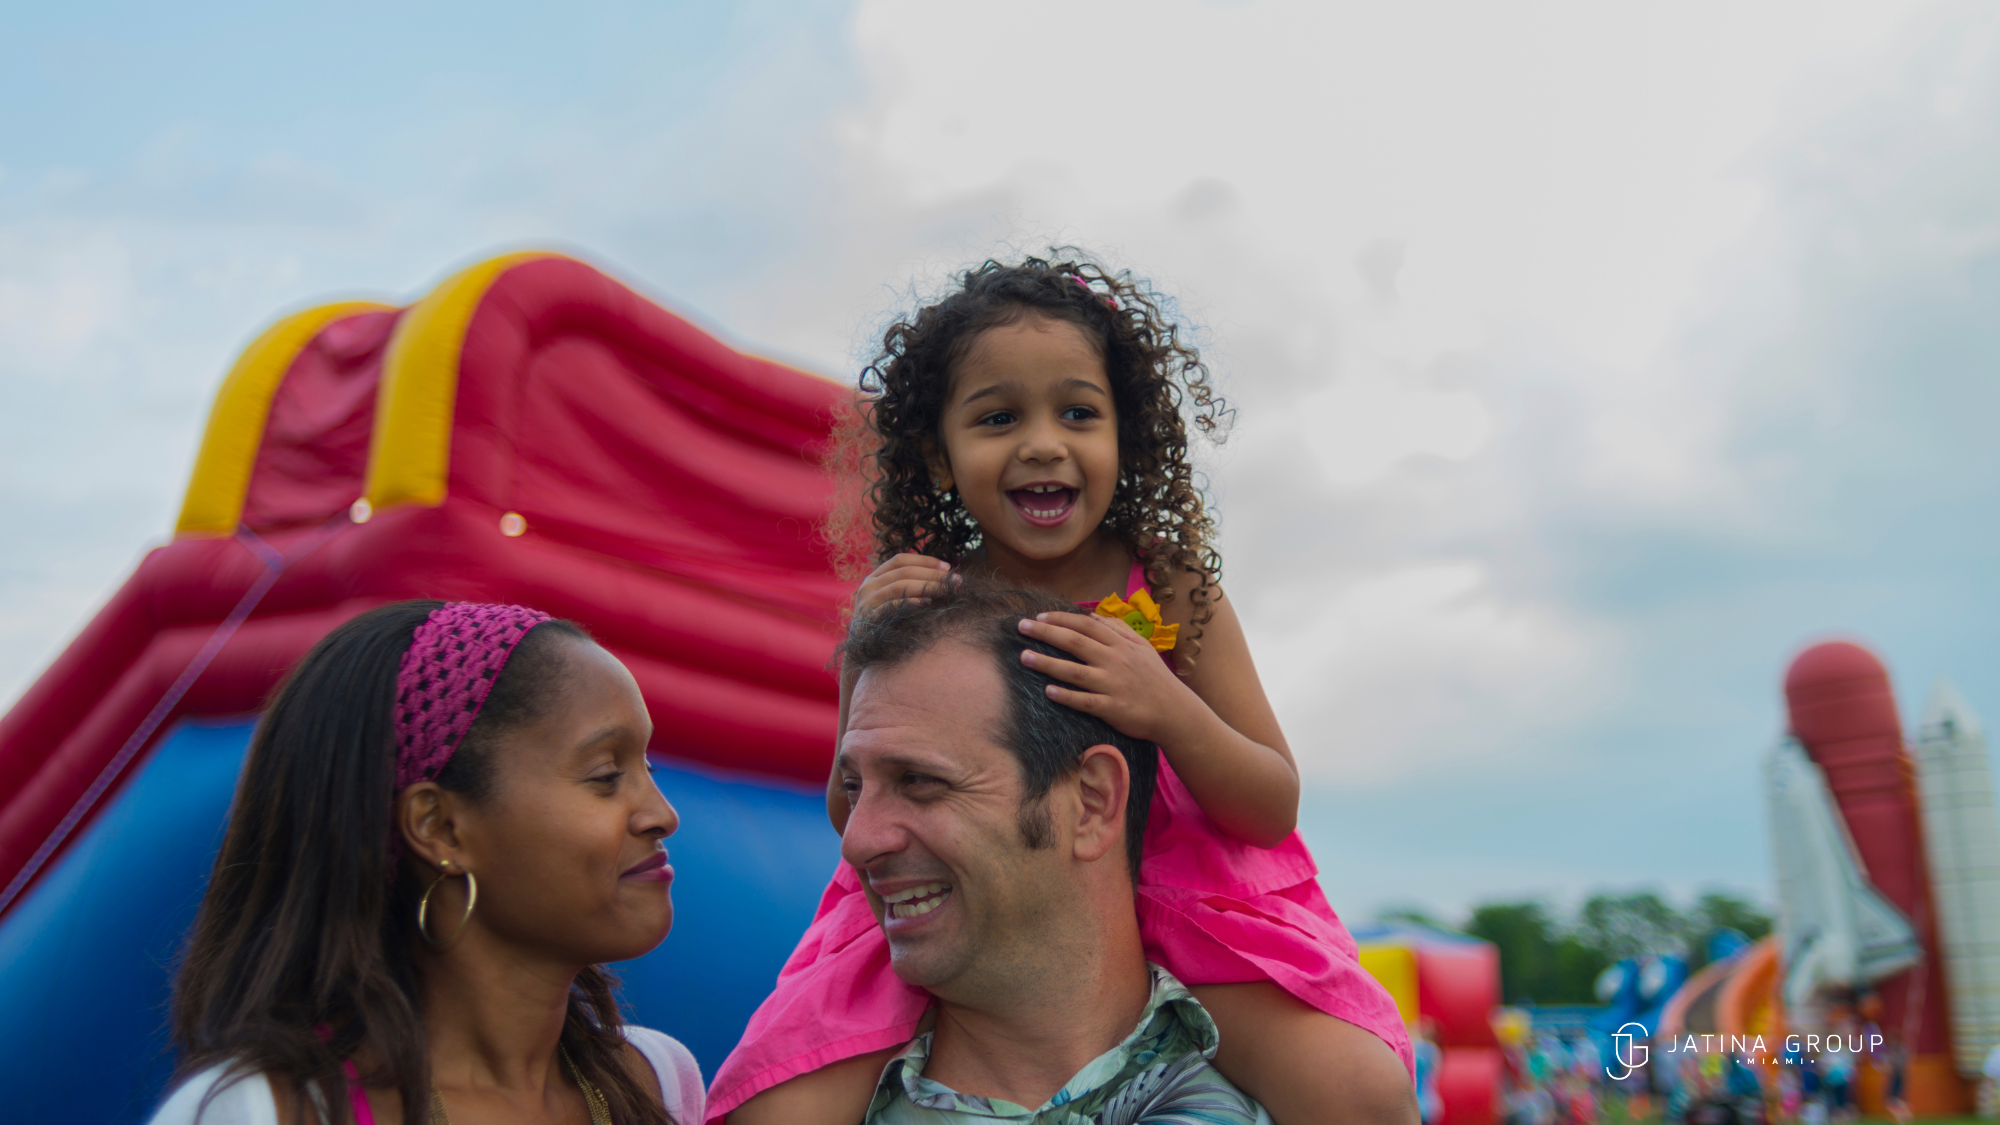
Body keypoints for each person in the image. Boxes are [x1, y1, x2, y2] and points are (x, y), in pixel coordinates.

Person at [716, 254, 1412, 1124]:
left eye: (1078, 412)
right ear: (939, 455)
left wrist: (1167, 709)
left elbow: (1272, 804)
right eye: (1000, 416)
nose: (1043, 441)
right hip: (969, 909)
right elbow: (850, 812)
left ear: (1128, 436)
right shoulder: (929, 598)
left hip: (1187, 913)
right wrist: (863, 660)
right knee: (775, 1100)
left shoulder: (1171, 586)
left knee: (1360, 1086)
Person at [149, 601, 703, 1125]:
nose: (662, 815)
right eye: (606, 776)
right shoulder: (264, 1110)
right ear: (440, 828)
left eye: (648, 768)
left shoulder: (658, 1083)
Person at [804, 579, 1285, 1119]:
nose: (857, 841)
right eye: (853, 787)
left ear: (1092, 801)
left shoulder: (1294, 1094)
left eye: (919, 781)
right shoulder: (795, 1103)